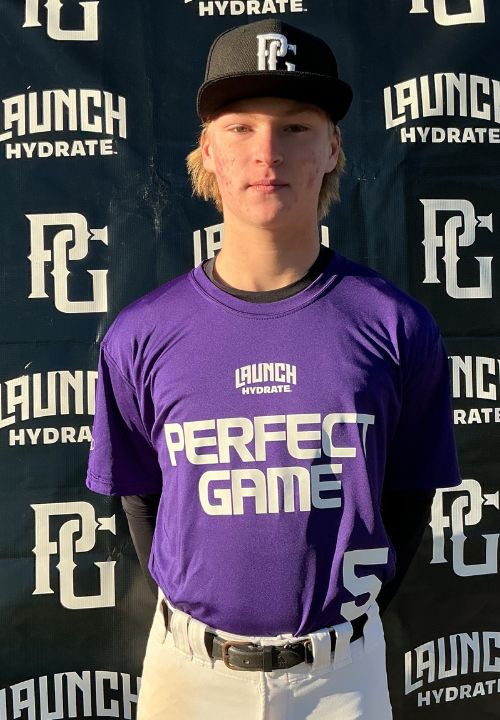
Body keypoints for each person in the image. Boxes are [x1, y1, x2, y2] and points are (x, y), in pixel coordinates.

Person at [86, 19, 461, 720]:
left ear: (332, 146)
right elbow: (139, 498)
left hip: (341, 678)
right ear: (208, 149)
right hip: (188, 674)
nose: (267, 152)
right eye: (240, 127)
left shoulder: (397, 325)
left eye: (295, 127)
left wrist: (341, 627)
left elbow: (410, 494)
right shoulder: (141, 334)